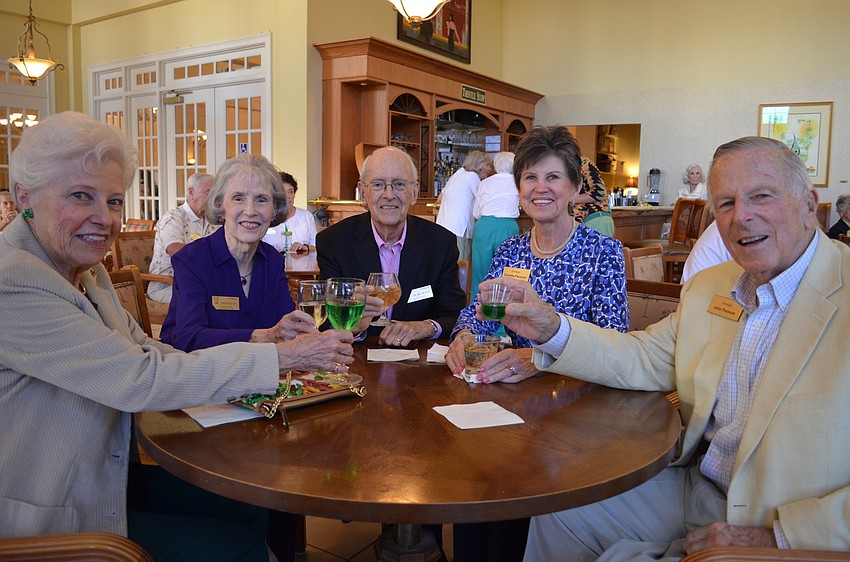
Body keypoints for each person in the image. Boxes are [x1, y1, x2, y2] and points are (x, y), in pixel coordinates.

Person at [0, 112, 356, 562]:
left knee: (253, 505)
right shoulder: (14, 280)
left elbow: (151, 348)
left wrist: (288, 346)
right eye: (79, 196)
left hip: (104, 476)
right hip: (52, 513)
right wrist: (281, 356)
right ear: (23, 197)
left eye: (112, 201)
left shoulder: (87, 273)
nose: (103, 218)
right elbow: (139, 375)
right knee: (238, 546)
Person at [486, 136, 850, 561]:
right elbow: (641, 355)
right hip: (697, 487)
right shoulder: (713, 288)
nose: (742, 217)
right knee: (559, 508)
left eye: (760, 197)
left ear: (810, 204)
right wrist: (551, 328)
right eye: (726, 204)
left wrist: (778, 539)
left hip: (782, 525)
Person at [446, 126, 629, 562]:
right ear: (518, 188)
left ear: (574, 188)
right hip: (499, 400)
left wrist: (537, 357)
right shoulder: (510, 252)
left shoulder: (602, 252)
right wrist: (464, 335)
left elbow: (614, 340)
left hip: (569, 410)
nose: (540, 188)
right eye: (530, 178)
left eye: (553, 178)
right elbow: (479, 313)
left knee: (519, 495)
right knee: (472, 478)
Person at [160, 154, 378, 352]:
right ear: (220, 205)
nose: (250, 211)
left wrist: (351, 327)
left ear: (275, 210)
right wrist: (266, 337)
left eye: (261, 200)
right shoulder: (192, 259)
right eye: (238, 198)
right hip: (202, 382)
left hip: (262, 381)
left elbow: (291, 328)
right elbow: (188, 339)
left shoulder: (272, 260)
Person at [317, 146, 466, 346]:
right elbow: (323, 322)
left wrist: (423, 327)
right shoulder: (334, 242)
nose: (389, 195)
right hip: (356, 363)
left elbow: (454, 316)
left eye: (399, 184)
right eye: (378, 185)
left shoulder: (440, 243)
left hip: (417, 364)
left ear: (414, 192)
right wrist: (353, 327)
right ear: (363, 192)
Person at [147, 172, 218, 303]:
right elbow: (175, 250)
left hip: (201, 284)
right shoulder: (173, 217)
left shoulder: (212, 221)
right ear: (191, 192)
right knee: (208, 300)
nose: (213, 198)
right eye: (208, 192)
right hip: (167, 285)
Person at [470, 151, 519, 299]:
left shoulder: (485, 182)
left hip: (484, 226)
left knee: (480, 272)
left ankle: (475, 313)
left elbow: (476, 213)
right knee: (507, 273)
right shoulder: (518, 181)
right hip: (507, 226)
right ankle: (503, 317)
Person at [436, 150, 493, 262]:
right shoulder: (472, 177)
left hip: (443, 227)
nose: (489, 169)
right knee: (461, 268)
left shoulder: (458, 174)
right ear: (479, 164)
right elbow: (483, 202)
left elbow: (440, 198)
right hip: (460, 230)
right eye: (487, 165)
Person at [262, 171, 318, 253]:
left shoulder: (306, 216)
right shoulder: (266, 217)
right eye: (283, 192)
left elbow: (316, 245)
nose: (287, 196)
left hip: (301, 263)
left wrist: (305, 247)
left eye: (290, 192)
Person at [572, 157, 615, 236]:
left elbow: (600, 192)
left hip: (595, 219)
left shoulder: (583, 163)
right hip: (583, 222)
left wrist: (569, 199)